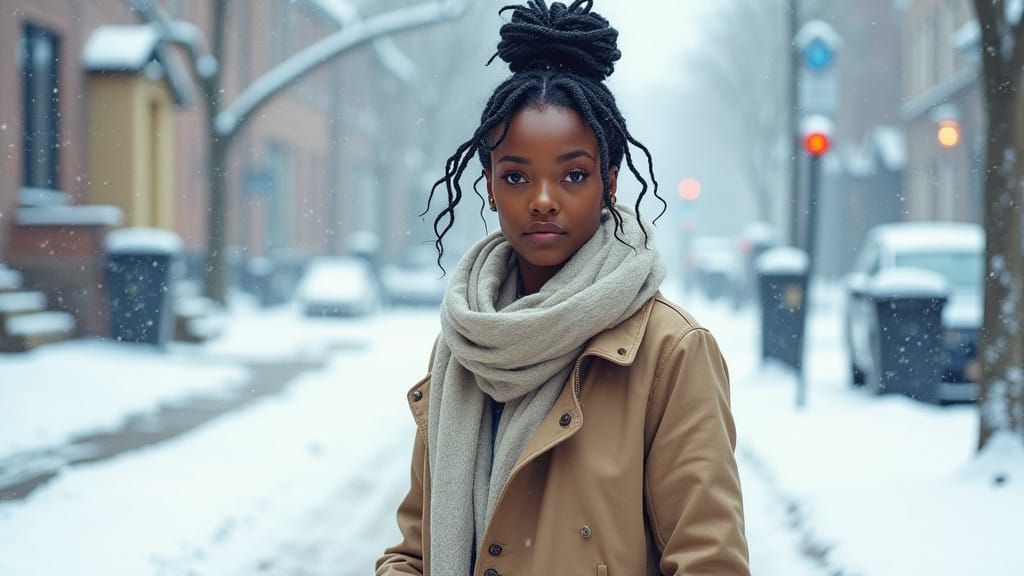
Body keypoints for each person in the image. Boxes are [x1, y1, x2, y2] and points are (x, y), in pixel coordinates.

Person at [376, 1, 749, 574]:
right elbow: (415, 551)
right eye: (517, 176)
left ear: (609, 182)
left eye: (573, 174)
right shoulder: (464, 342)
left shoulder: (670, 352)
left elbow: (708, 561)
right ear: (491, 187)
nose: (543, 198)